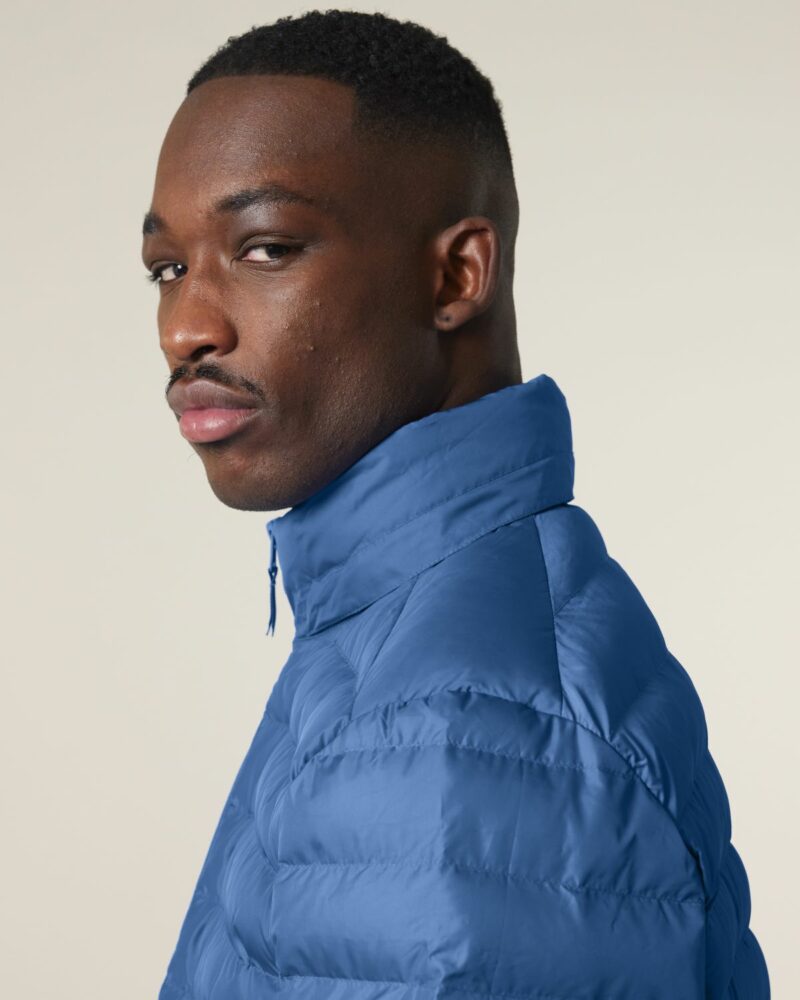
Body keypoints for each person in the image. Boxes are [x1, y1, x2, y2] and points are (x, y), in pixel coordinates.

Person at [140, 10, 769, 999]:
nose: (185, 326)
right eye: (168, 268)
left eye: (264, 248)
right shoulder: (414, 645)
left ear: (456, 275)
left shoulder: (449, 727)